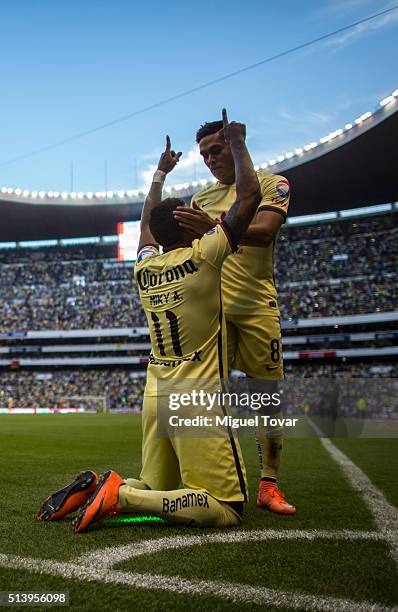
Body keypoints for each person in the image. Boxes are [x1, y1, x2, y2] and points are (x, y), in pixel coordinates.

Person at [37, 109, 262, 531]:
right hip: (196, 394)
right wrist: (237, 142)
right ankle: (118, 494)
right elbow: (248, 198)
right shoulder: (204, 255)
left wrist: (159, 174)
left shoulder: (145, 268)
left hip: (156, 391)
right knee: (227, 508)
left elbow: (144, 227)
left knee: (157, 489)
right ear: (187, 227)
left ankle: (100, 489)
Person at [173, 119, 296, 514]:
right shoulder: (200, 198)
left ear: (235, 144)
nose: (209, 160)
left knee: (266, 399)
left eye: (217, 150)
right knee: (208, 400)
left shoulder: (272, 184)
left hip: (257, 305)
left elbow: (264, 232)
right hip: (213, 314)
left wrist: (216, 228)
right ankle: (212, 479)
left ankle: (269, 484)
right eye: (204, 154)